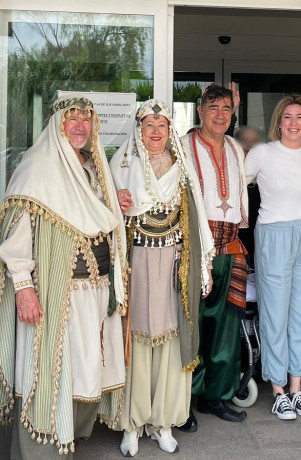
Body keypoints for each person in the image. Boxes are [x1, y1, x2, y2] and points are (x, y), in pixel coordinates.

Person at [0, 95, 128, 459]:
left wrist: (113, 199)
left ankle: (70, 438)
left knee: (86, 371)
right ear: (56, 126)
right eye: (71, 118)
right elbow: (16, 239)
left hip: (94, 291)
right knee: (47, 373)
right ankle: (41, 451)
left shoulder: (92, 168)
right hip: (54, 294)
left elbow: (95, 216)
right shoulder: (36, 169)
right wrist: (24, 289)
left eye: (86, 119)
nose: (79, 125)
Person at [110, 100, 215, 455]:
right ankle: (132, 423)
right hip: (136, 262)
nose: (156, 132)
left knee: (171, 341)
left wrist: (199, 267)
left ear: (170, 130)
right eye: (149, 125)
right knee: (136, 339)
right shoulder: (122, 167)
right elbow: (102, 207)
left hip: (173, 265)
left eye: (162, 125)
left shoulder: (181, 169)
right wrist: (115, 201)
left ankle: (163, 422)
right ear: (138, 130)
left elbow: (196, 219)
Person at [245, 95, 301, 420]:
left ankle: (297, 389)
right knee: (274, 313)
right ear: (279, 121)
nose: (294, 123)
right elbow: (238, 184)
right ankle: (278, 390)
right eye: (288, 117)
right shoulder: (263, 153)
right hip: (273, 234)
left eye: (300, 118)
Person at [181, 84, 250, 423]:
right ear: (200, 111)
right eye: (213, 108)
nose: (220, 114)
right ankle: (186, 403)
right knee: (191, 325)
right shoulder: (181, 146)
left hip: (232, 246)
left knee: (225, 327)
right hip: (196, 247)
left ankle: (217, 396)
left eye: (226, 108)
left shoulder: (237, 147)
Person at [235, 125, 264, 268]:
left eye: (255, 141)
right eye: (245, 141)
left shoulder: (266, 176)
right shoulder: (230, 177)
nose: (250, 146)